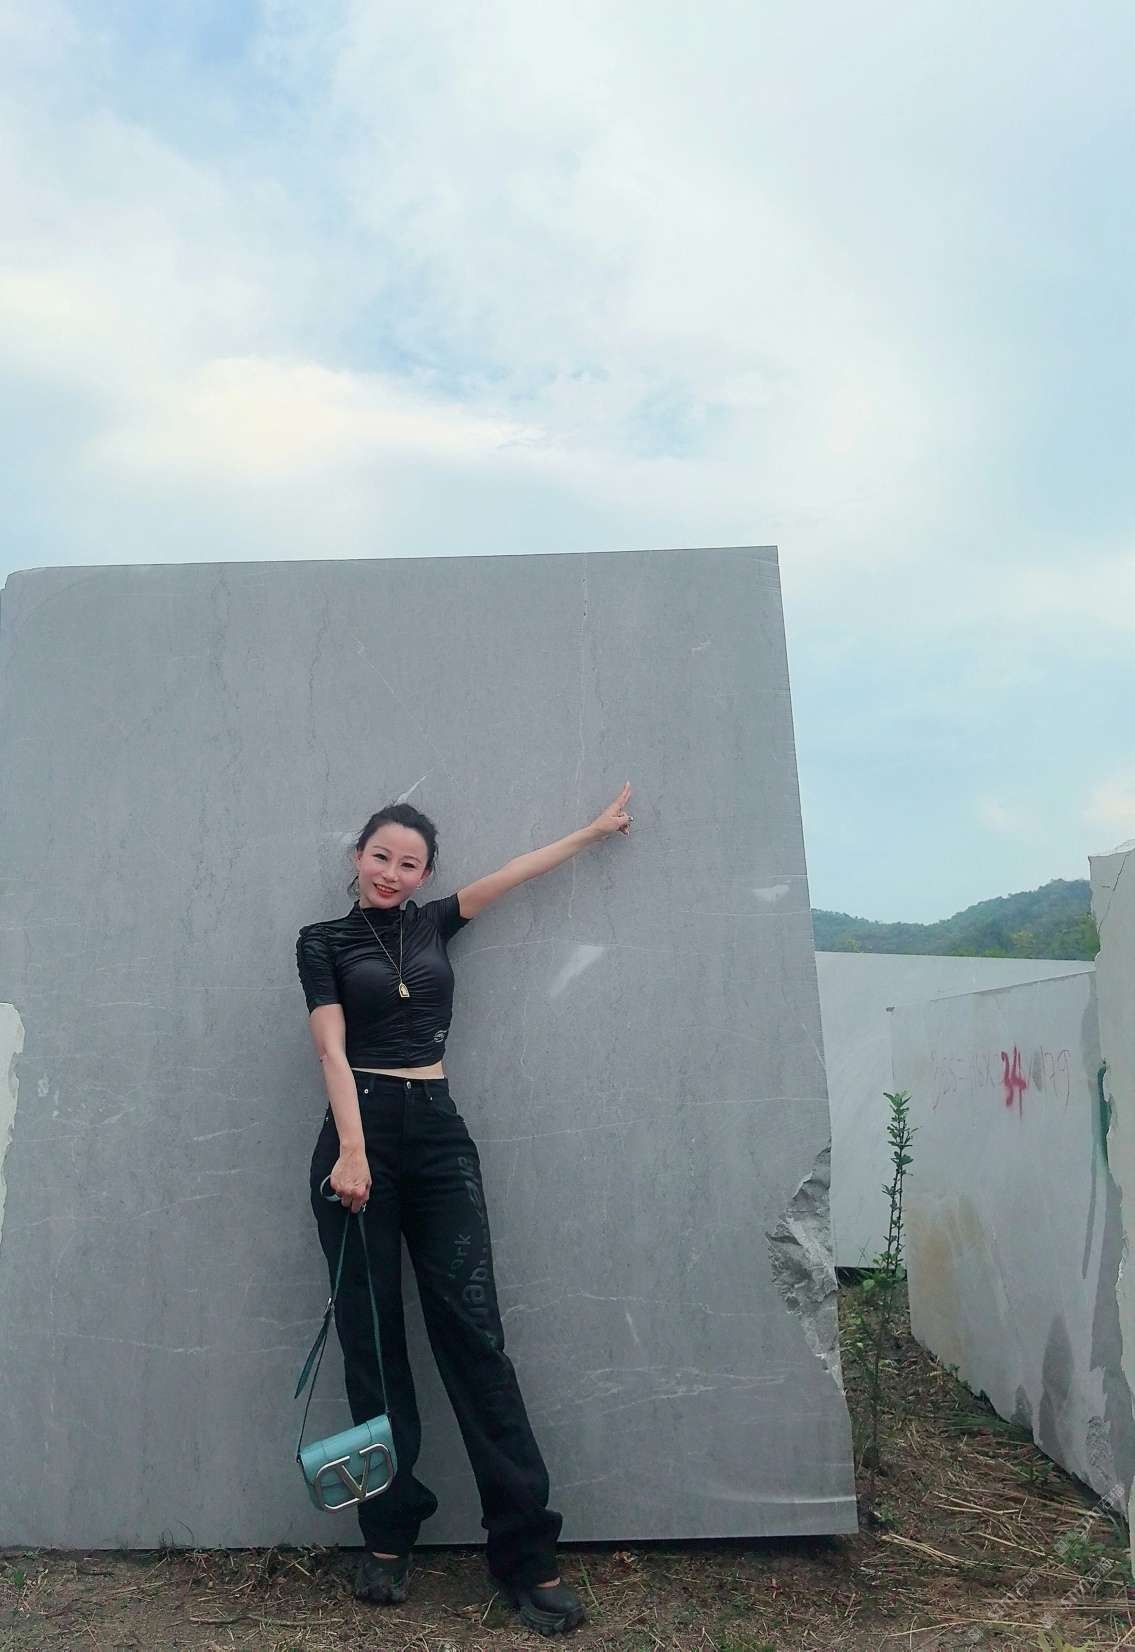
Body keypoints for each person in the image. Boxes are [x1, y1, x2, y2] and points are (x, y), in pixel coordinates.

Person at [296, 783, 633, 1636]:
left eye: (409, 864)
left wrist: (593, 831)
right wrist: (352, 1151)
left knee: (475, 1338)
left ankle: (524, 1550)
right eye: (380, 856)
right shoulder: (322, 941)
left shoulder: (433, 925)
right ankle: (387, 1532)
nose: (391, 872)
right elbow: (330, 1049)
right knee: (374, 1346)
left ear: (425, 875)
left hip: (438, 1135)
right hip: (356, 1136)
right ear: (357, 857)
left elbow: (516, 873)